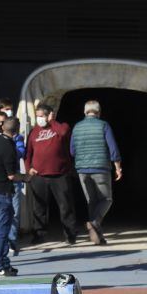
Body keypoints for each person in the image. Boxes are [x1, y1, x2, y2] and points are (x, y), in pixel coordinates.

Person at [70, 100, 123, 246]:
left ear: (85, 112)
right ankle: (94, 222)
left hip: (82, 169)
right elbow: (113, 148)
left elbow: (72, 151)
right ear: (99, 112)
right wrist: (118, 167)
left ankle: (99, 237)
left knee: (92, 202)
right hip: (100, 168)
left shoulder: (77, 127)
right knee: (106, 199)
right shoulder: (103, 125)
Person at [0, 117, 30, 277]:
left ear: (2, 126)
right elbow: (11, 175)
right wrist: (26, 177)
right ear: (17, 132)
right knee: (2, 230)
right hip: (1, 191)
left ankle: (4, 263)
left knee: (1, 227)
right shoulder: (9, 147)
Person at [25, 103, 78, 245]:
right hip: (39, 176)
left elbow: (63, 133)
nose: (39, 119)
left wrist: (52, 121)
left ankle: (70, 234)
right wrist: (28, 168)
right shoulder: (34, 132)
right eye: (37, 116)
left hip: (60, 175)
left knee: (65, 206)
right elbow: (28, 153)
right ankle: (39, 234)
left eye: (41, 116)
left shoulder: (61, 127)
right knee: (39, 207)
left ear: (49, 115)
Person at [0, 100, 25, 255]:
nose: (0, 124)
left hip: (12, 180)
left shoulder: (16, 138)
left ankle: (11, 243)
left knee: (13, 213)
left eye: (3, 121)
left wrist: (8, 150)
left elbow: (21, 152)